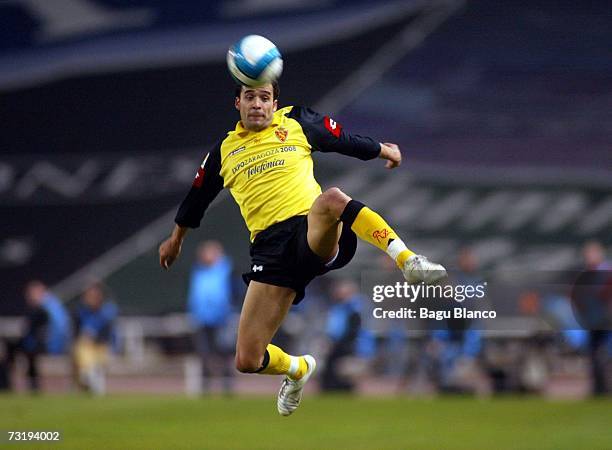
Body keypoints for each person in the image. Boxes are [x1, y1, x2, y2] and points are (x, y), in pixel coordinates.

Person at [159, 81, 446, 415]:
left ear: (274, 102)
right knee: (247, 359)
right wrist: (175, 239)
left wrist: (384, 149)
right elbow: (196, 200)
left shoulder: (294, 122)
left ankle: (408, 260)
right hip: (269, 251)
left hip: (310, 230)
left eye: (265, 98)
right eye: (250, 97)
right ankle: (297, 370)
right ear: (236, 102)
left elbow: (342, 140)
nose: (257, 104)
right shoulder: (223, 151)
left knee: (332, 199)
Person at [1, 280, 70, 392]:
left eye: (31, 293)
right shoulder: (52, 305)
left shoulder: (43, 309)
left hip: (48, 345)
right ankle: (27, 384)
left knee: (19, 350)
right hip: (46, 344)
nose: (29, 297)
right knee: (24, 351)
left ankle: (5, 384)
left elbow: (33, 332)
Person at [187, 240, 235, 394]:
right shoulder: (198, 272)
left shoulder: (227, 270)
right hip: (202, 319)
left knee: (224, 351)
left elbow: (234, 293)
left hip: (223, 319)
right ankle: (205, 385)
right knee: (204, 353)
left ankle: (227, 385)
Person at [72, 281, 118, 395]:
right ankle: (87, 383)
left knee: (97, 370)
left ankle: (95, 387)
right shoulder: (81, 311)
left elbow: (107, 331)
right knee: (85, 368)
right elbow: (76, 331)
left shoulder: (107, 311)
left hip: (101, 346)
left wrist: (94, 337)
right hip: (86, 346)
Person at [321, 279, 363, 392]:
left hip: (344, 347)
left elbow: (352, 333)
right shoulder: (337, 308)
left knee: (337, 372)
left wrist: (335, 344)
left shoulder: (354, 310)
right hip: (335, 345)